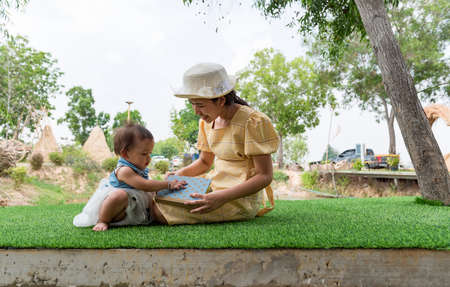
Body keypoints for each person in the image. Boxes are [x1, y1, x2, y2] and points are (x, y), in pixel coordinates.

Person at [151, 62, 279, 225]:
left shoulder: (252, 122)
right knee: (153, 196)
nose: (196, 112)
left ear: (221, 100)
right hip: (211, 186)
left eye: (200, 105)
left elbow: (265, 176)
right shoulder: (205, 122)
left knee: (158, 211)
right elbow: (205, 162)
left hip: (237, 197)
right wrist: (178, 175)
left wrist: (220, 198)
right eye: (192, 104)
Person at [73, 123, 186, 231]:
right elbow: (145, 185)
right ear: (125, 154)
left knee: (153, 195)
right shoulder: (124, 170)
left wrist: (165, 180)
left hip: (128, 208)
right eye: (144, 154)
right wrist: (168, 184)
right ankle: (103, 220)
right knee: (118, 196)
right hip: (116, 207)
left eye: (150, 153)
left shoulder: (138, 167)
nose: (149, 158)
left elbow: (149, 185)